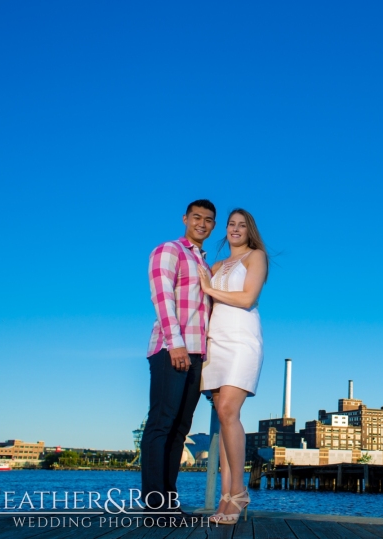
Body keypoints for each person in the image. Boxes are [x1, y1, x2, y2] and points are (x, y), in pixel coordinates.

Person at [142, 199, 216, 515]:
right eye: (196, 217)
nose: (202, 223)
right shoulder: (169, 250)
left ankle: (169, 505)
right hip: (171, 349)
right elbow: (162, 299)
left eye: (209, 220)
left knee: (180, 430)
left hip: (198, 354)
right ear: (185, 218)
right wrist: (176, 344)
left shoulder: (205, 265)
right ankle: (154, 507)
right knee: (161, 425)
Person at [197, 208, 268, 525]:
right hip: (216, 341)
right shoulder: (214, 266)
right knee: (224, 416)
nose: (235, 229)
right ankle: (227, 497)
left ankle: (238, 493)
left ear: (249, 230)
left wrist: (209, 288)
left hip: (242, 339)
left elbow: (248, 297)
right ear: (225, 230)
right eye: (231, 224)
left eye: (242, 225)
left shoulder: (256, 256)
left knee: (227, 409)